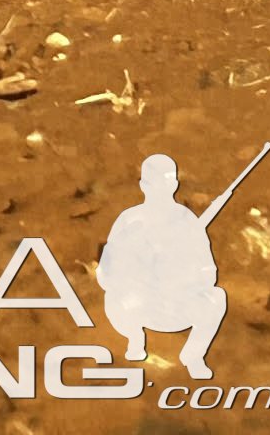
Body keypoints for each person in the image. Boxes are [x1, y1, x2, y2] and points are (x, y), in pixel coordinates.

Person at [98, 150, 248, 378]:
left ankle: (194, 357)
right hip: (139, 305)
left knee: (216, 298)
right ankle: (135, 339)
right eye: (154, 183)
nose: (159, 189)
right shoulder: (129, 220)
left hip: (177, 306)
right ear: (143, 185)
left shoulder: (187, 221)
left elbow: (209, 273)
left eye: (165, 182)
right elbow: (106, 273)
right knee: (113, 298)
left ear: (174, 184)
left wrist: (182, 278)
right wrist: (141, 274)